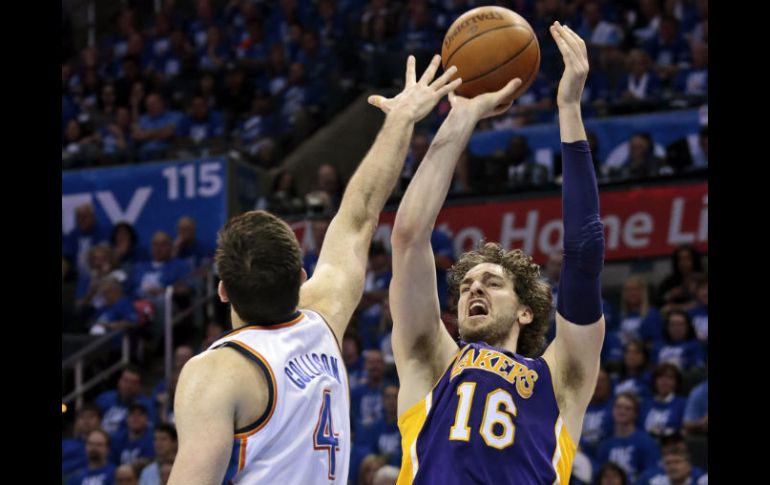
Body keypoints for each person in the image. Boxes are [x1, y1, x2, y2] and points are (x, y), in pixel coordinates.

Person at [168, 54, 461, 484]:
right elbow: (360, 213)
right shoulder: (323, 320)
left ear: (224, 290)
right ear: (301, 278)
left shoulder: (214, 374)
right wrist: (401, 119)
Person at [383, 23, 605, 483]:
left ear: (526, 310)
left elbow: (584, 251)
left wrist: (568, 109)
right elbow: (408, 237)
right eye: (466, 285)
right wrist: (462, 115)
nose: (473, 289)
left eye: (491, 282)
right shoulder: (433, 363)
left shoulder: (560, 379)